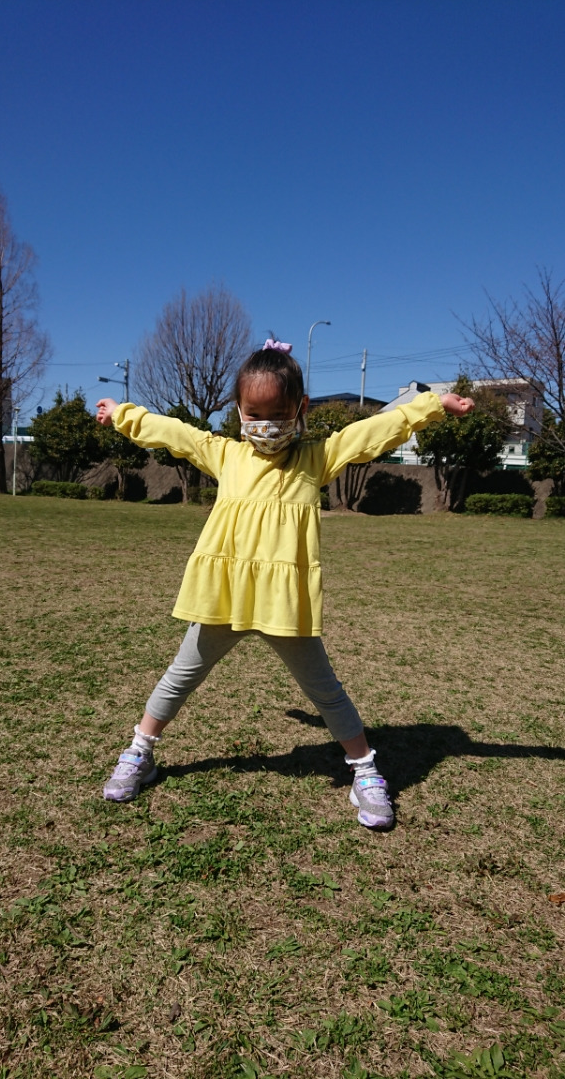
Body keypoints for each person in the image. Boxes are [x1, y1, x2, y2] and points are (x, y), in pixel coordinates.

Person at [96, 341, 474, 830]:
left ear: (299, 410)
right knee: (180, 676)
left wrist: (431, 405)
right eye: (254, 413)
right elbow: (171, 433)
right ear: (238, 411)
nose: (265, 424)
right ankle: (140, 752)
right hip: (224, 598)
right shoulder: (224, 454)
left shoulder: (315, 459)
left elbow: (372, 432)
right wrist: (123, 412)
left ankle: (365, 771)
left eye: (278, 413)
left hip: (284, 605)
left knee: (327, 692)